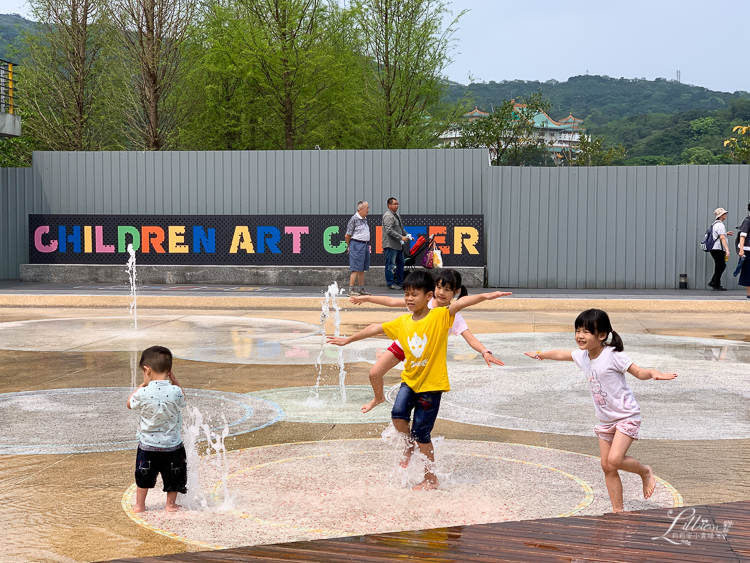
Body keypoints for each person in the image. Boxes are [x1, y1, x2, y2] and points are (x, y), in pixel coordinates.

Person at [327, 270, 512, 490]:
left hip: (431, 384)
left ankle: (430, 478)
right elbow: (376, 326)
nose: (410, 298)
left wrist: (485, 298)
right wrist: (348, 339)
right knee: (397, 415)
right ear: (433, 292)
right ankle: (407, 445)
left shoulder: (441, 315)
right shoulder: (407, 317)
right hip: (410, 372)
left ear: (430, 295)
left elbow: (462, 308)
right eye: (408, 294)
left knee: (421, 433)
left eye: (446, 289)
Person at [523, 309, 677, 513]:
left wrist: (653, 373)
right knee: (607, 466)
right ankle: (618, 511)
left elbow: (638, 372)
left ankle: (645, 471)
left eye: (586, 332)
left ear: (602, 335)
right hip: (605, 420)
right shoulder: (583, 356)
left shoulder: (613, 355)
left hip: (626, 416)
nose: (580, 335)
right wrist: (540, 355)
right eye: (578, 330)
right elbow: (562, 353)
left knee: (615, 459)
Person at [350, 269, 505, 415]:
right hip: (405, 345)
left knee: (417, 392)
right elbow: (390, 301)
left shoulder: (452, 316)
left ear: (456, 292)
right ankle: (378, 398)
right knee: (374, 373)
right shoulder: (424, 301)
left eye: (447, 289)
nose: (441, 292)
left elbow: (470, 337)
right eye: (439, 287)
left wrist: (485, 351)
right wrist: (366, 298)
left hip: (425, 356)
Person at [127, 346, 187, 513]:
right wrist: (175, 381)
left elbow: (129, 404)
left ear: (147, 370)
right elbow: (183, 401)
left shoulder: (143, 392)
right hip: (172, 446)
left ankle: (140, 505)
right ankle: (170, 505)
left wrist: (141, 385)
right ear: (169, 371)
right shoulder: (175, 391)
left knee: (143, 475)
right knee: (174, 474)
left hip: (148, 446)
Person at [382, 197, 409, 290]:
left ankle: (400, 282)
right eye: (395, 204)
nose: (397, 206)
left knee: (401, 264)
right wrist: (401, 237)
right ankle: (390, 283)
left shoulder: (396, 215)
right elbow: (389, 230)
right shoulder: (388, 216)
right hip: (390, 245)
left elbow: (401, 228)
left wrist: (407, 235)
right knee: (390, 265)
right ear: (389, 205)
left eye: (397, 204)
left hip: (398, 246)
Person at [345, 201, 371, 297]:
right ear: (360, 209)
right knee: (355, 268)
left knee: (362, 269)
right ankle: (351, 289)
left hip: (364, 245)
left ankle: (361, 289)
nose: (368, 210)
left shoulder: (365, 219)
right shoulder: (354, 219)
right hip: (357, 244)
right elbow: (347, 235)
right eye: (366, 208)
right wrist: (350, 246)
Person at [707, 207, 733, 291]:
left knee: (720, 265)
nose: (726, 215)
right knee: (720, 266)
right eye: (724, 214)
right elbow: (722, 238)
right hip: (718, 248)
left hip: (713, 248)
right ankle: (716, 284)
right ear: (721, 215)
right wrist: (727, 250)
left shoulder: (715, 224)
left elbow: (719, 235)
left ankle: (713, 282)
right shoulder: (720, 225)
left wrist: (726, 234)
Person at [736, 203, 750, 299]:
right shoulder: (747, 221)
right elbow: (742, 236)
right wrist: (741, 250)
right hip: (747, 250)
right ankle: (749, 293)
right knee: (747, 271)